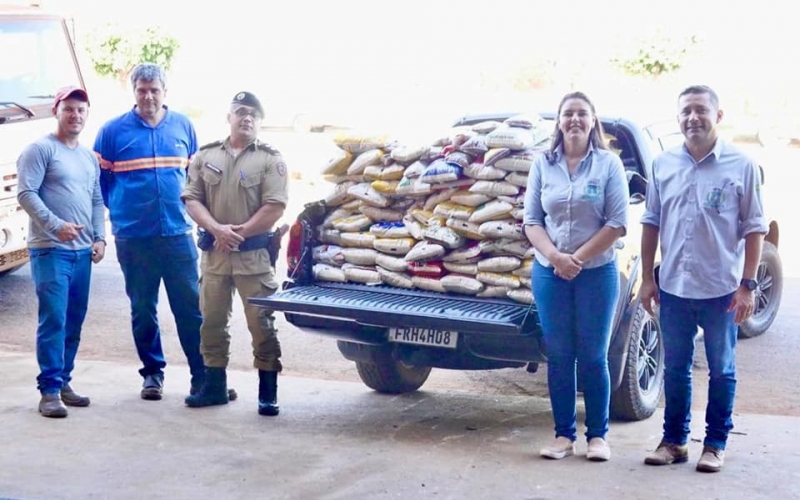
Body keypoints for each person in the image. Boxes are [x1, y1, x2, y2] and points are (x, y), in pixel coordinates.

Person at [640, 85, 767, 473]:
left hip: (722, 291)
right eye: (686, 112)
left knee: (721, 369)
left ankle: (714, 444)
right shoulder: (663, 164)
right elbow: (651, 222)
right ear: (678, 118)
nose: (693, 118)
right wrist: (647, 278)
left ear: (718, 116)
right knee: (675, 368)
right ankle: (675, 441)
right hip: (674, 287)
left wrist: (747, 285)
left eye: (701, 110)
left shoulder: (741, 165)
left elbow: (755, 229)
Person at [523, 91, 629, 461]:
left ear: (593, 120)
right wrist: (555, 257)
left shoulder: (608, 165)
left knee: (593, 355)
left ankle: (597, 437)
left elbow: (617, 223)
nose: (575, 120)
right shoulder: (543, 164)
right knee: (559, 353)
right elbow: (532, 221)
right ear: (558, 121)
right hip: (550, 273)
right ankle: (562, 436)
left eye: (582, 113)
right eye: (568, 113)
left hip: (596, 273)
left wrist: (576, 260)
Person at [93, 63, 205, 400]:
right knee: (143, 309)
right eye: (142, 90)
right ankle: (152, 374)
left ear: (164, 92)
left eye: (154, 90)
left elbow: (197, 180)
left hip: (177, 235)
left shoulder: (183, 126)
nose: (148, 96)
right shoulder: (112, 132)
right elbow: (100, 185)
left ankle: (202, 375)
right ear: (134, 92)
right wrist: (124, 210)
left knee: (190, 308)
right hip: (134, 238)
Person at [181, 91, 288, 416]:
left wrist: (236, 233)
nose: (247, 118)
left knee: (261, 325)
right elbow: (191, 198)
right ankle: (214, 387)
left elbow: (275, 207)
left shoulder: (271, 159)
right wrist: (216, 230)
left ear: (260, 121)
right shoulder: (205, 156)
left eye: (254, 114)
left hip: (253, 259)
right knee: (211, 322)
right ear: (228, 116)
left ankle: (267, 393)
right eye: (241, 111)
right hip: (215, 256)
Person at [16, 86, 106, 418]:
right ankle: (49, 390)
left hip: (83, 253)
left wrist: (100, 238)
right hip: (51, 250)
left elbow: (96, 200)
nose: (75, 115)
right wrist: (55, 225)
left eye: (81, 110)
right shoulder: (40, 150)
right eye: (69, 109)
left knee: (73, 320)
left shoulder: (87, 157)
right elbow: (26, 193)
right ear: (56, 111)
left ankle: (64, 381)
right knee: (53, 319)